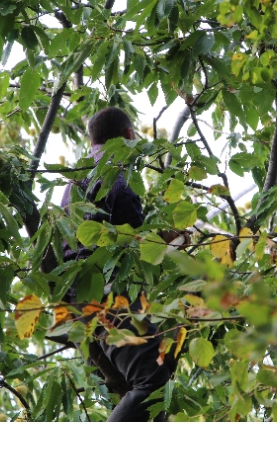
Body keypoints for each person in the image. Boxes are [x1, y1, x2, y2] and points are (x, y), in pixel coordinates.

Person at [59, 106, 171, 422]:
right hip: (106, 292)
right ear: (129, 136)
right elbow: (135, 245)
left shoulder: (76, 179)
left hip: (79, 298)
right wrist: (167, 238)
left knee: (154, 401)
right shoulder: (118, 175)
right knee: (152, 385)